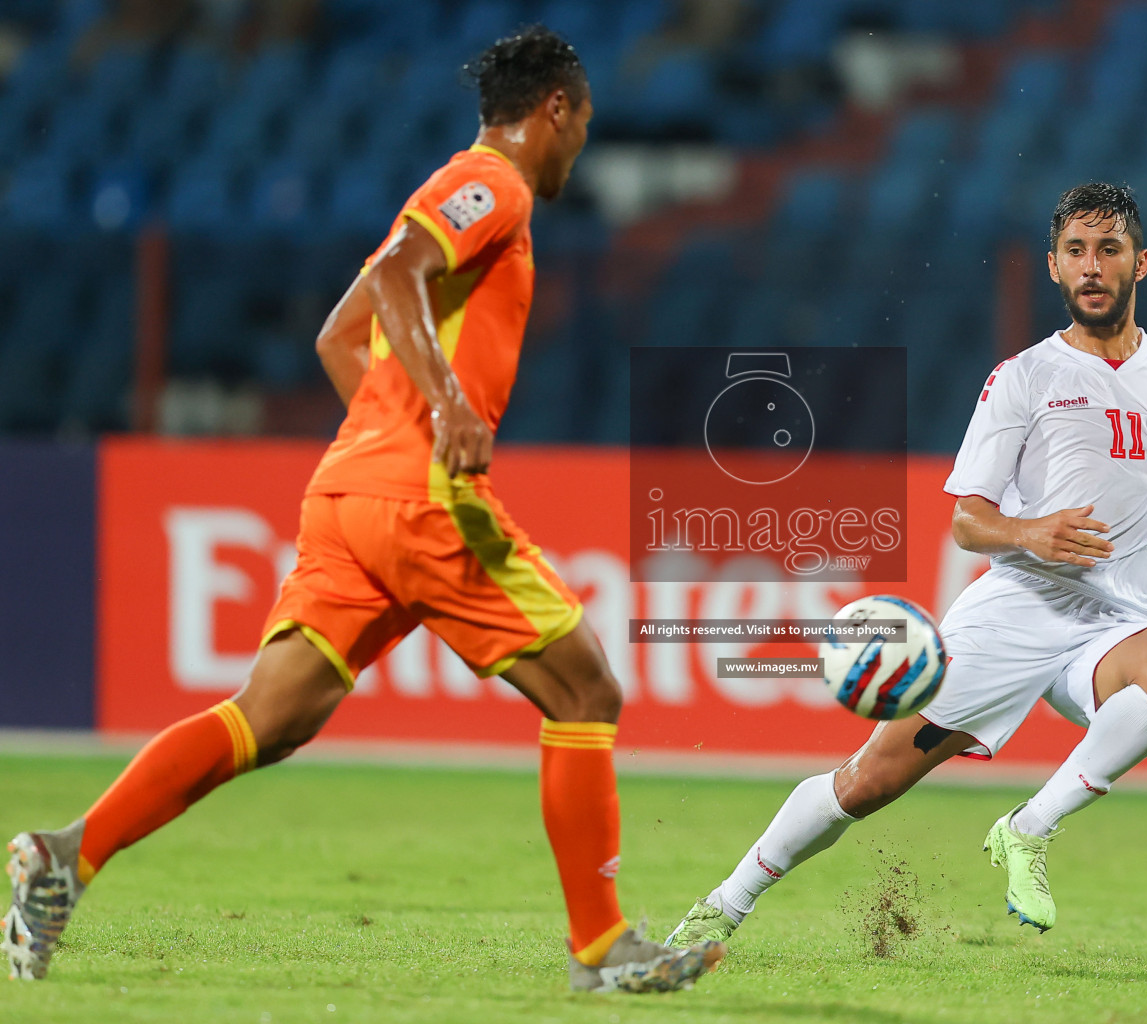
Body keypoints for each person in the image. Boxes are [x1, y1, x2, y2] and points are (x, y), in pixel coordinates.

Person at [4, 28, 723, 994]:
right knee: (587, 691)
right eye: (582, 124)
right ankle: (601, 948)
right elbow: (393, 282)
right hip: (418, 500)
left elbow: (341, 335)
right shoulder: (493, 185)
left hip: (350, 497)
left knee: (271, 716)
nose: (580, 146)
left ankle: (67, 855)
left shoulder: (476, 192)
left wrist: (391, 436)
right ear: (555, 109)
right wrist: (444, 414)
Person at [664, 183, 1147, 947]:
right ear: (1054, 268)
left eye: (1109, 249)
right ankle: (726, 903)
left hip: (1116, 628)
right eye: (1076, 252)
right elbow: (967, 521)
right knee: (869, 782)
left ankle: (1027, 828)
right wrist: (1031, 533)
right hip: (1017, 612)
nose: (1092, 267)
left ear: (1140, 264)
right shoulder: (1022, 378)